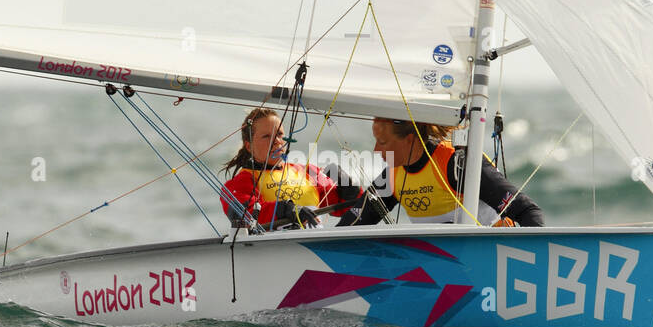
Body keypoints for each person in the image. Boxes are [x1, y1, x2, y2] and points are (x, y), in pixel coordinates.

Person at [338, 117, 544, 227]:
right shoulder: (392, 176)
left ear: (409, 140)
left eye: (383, 143)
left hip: (489, 262)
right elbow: (354, 223)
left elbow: (527, 211)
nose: (376, 151)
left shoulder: (457, 163)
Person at [220, 108, 363, 230]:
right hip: (277, 252)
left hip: (316, 247)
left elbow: (346, 207)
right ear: (248, 146)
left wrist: (351, 190)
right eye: (266, 136)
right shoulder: (239, 184)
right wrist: (285, 209)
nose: (277, 141)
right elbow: (247, 216)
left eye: (280, 134)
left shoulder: (309, 172)